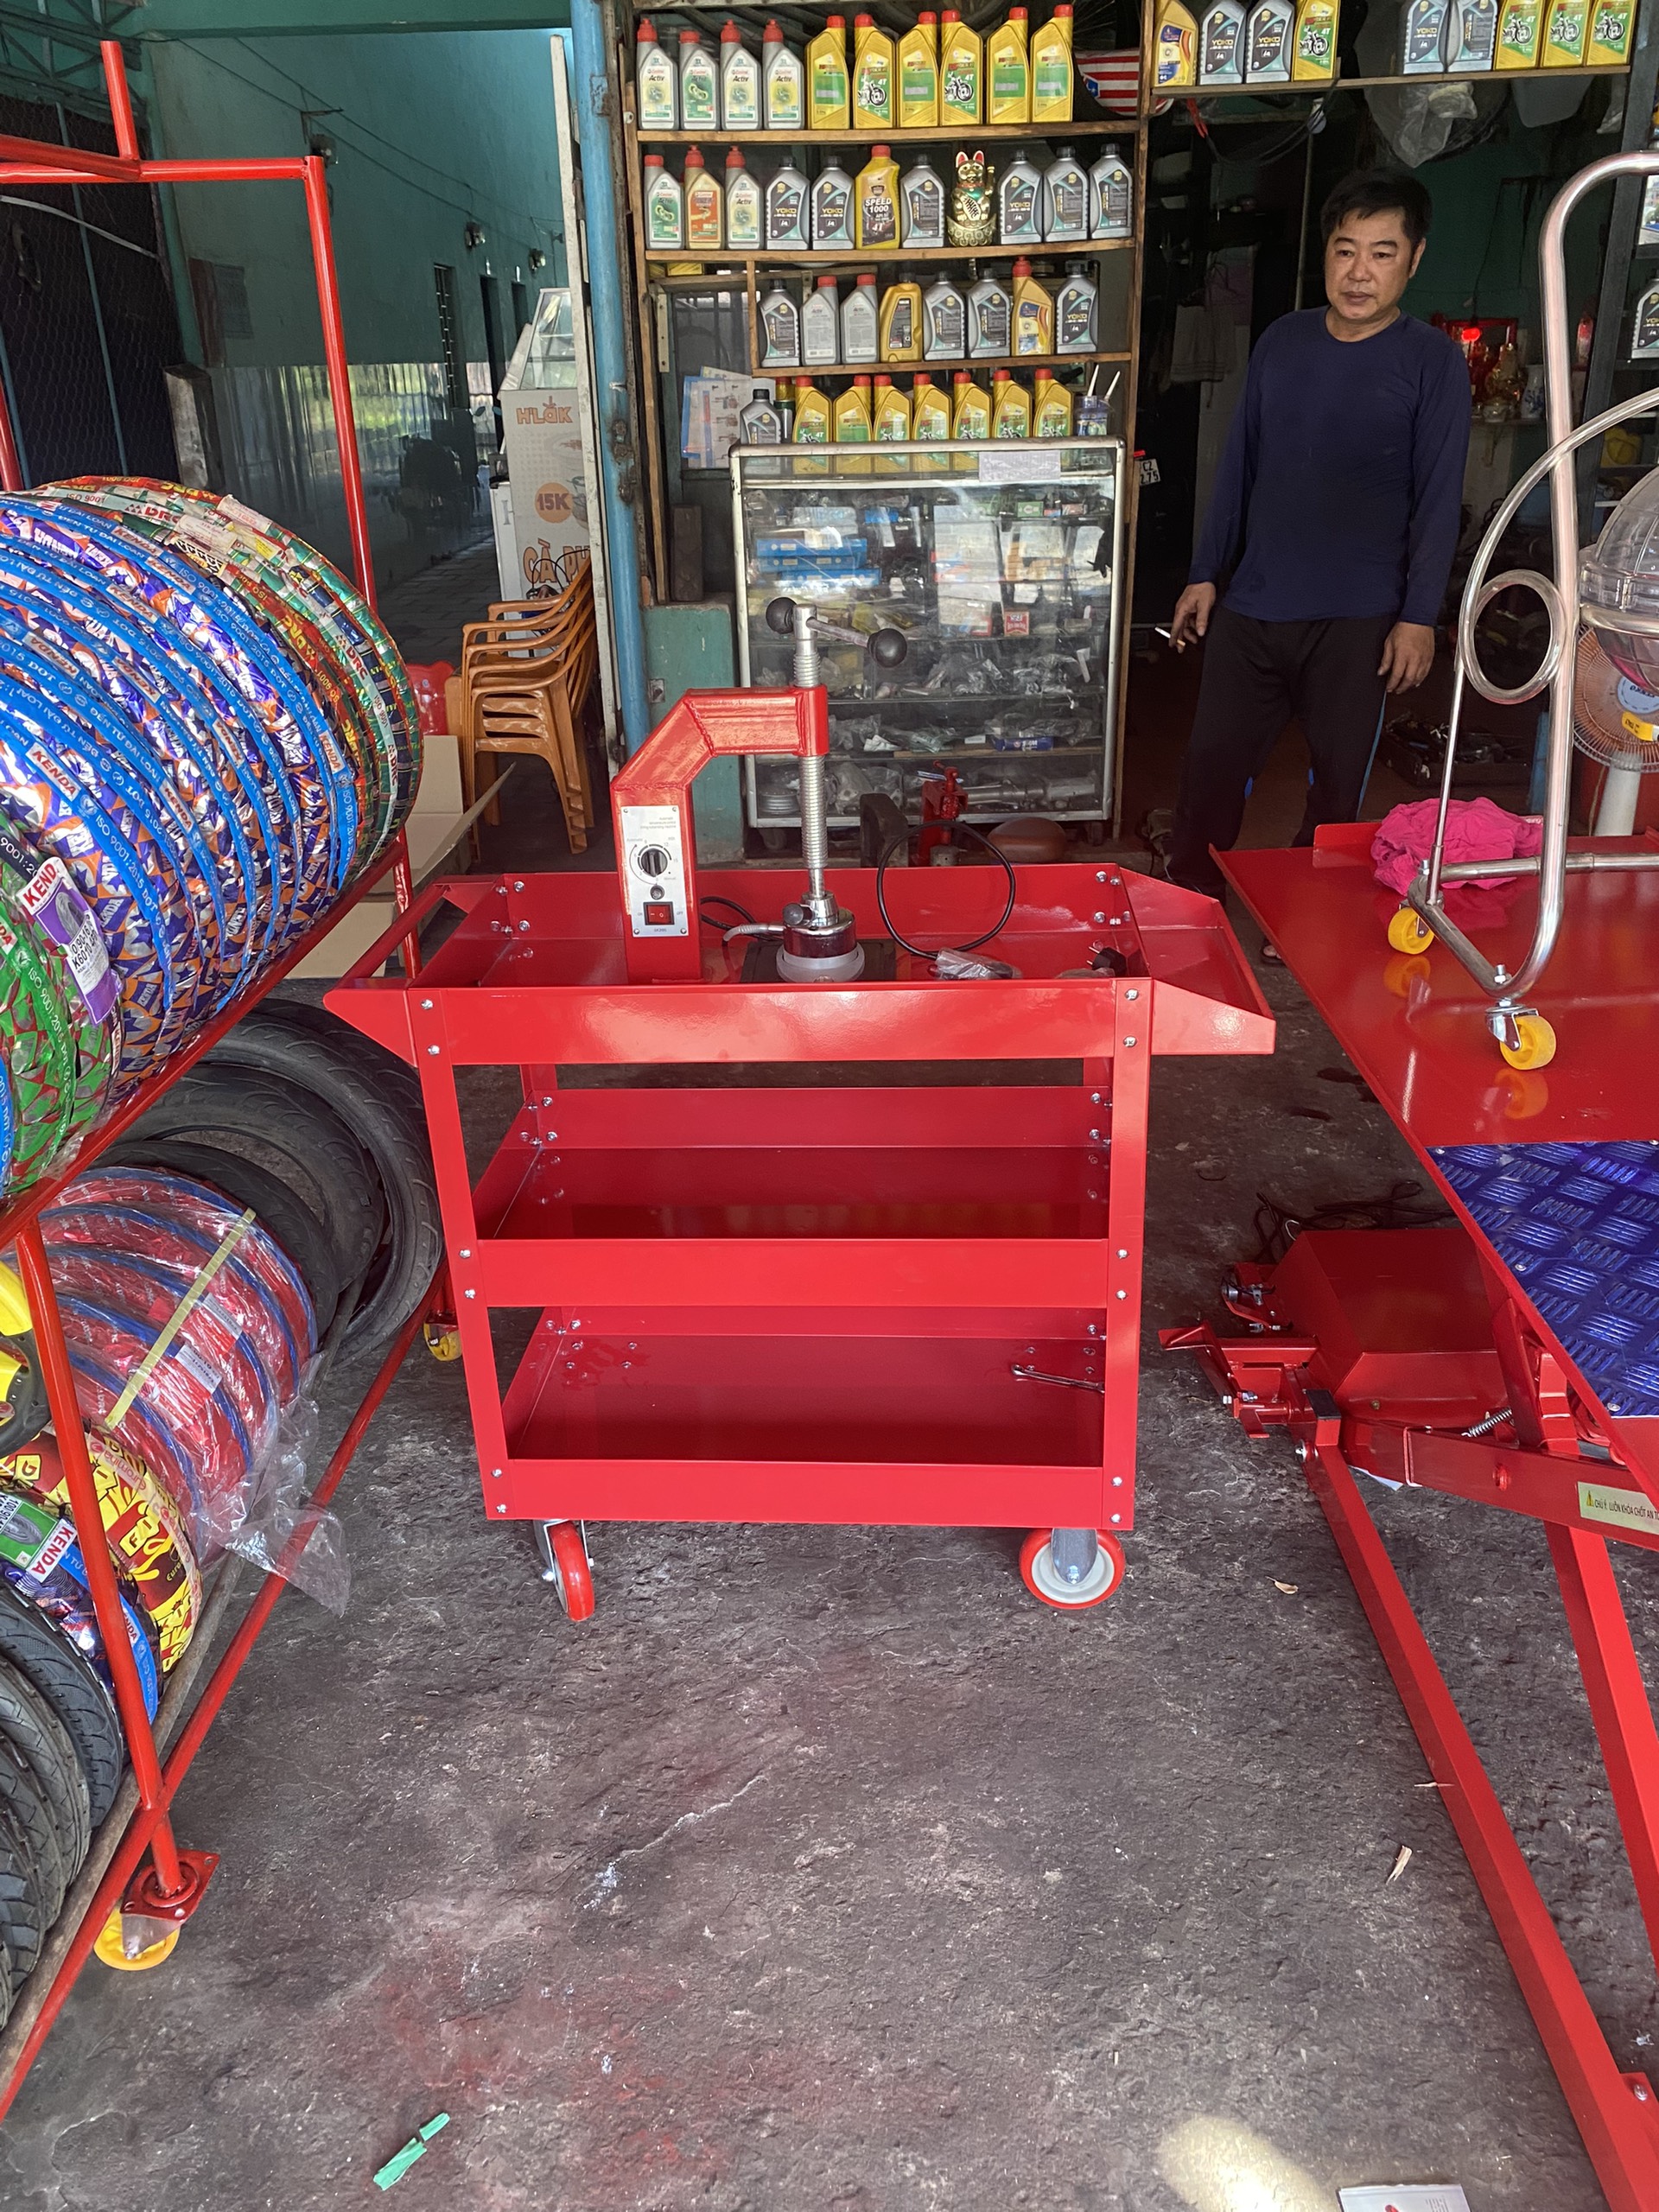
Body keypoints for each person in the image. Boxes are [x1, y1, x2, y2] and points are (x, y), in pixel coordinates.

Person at [1163, 168, 1471, 902]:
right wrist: (1206, 571)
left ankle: (1309, 918)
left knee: (1335, 786)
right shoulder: (1283, 341)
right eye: (1345, 250)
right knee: (1212, 767)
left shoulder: (1431, 362)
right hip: (1256, 604)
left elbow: (1438, 499)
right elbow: (1239, 464)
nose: (1359, 273)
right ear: (1327, 252)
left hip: (1358, 619)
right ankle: (1188, 900)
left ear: (1415, 258)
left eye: (1382, 253)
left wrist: (1418, 617)